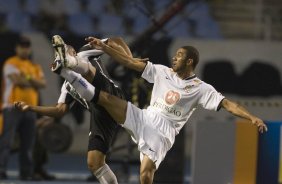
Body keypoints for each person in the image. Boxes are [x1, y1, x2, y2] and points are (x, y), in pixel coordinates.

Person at [18, 35, 268, 184]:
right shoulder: (161, 71)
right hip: (143, 116)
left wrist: (252, 117)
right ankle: (65, 69)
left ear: (189, 61)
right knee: (104, 98)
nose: (174, 58)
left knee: (145, 175)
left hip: (162, 133)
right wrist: (105, 48)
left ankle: (67, 67)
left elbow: (228, 104)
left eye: (179, 55)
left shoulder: (201, 88)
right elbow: (129, 61)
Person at [15, 36, 132, 184]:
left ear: (73, 51)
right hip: (100, 114)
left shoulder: (85, 51)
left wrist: (128, 57)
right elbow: (59, 110)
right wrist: (30, 107)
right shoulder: (67, 86)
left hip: (111, 96)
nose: (59, 57)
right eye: (59, 55)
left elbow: (115, 40)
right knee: (94, 163)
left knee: (86, 68)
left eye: (64, 53)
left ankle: (70, 63)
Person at [0, 36, 46, 180]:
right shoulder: (11, 63)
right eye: (21, 46)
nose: (24, 49)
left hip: (30, 109)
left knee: (28, 143)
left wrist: (26, 77)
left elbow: (43, 84)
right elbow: (17, 81)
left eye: (26, 46)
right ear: (16, 48)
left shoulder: (35, 66)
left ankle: (26, 172)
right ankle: (1, 169)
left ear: (29, 48)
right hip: (12, 108)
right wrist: (32, 80)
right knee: (6, 141)